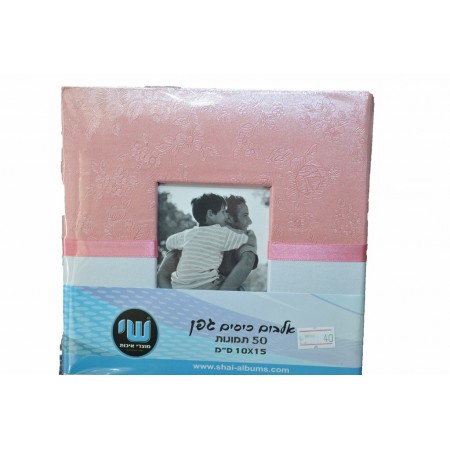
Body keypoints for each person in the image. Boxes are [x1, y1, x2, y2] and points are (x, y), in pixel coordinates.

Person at [158, 194, 258, 291]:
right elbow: (248, 243)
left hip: (180, 286)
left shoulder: (188, 235)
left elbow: (169, 242)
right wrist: (250, 235)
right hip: (208, 287)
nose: (250, 221)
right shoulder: (222, 234)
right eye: (223, 212)